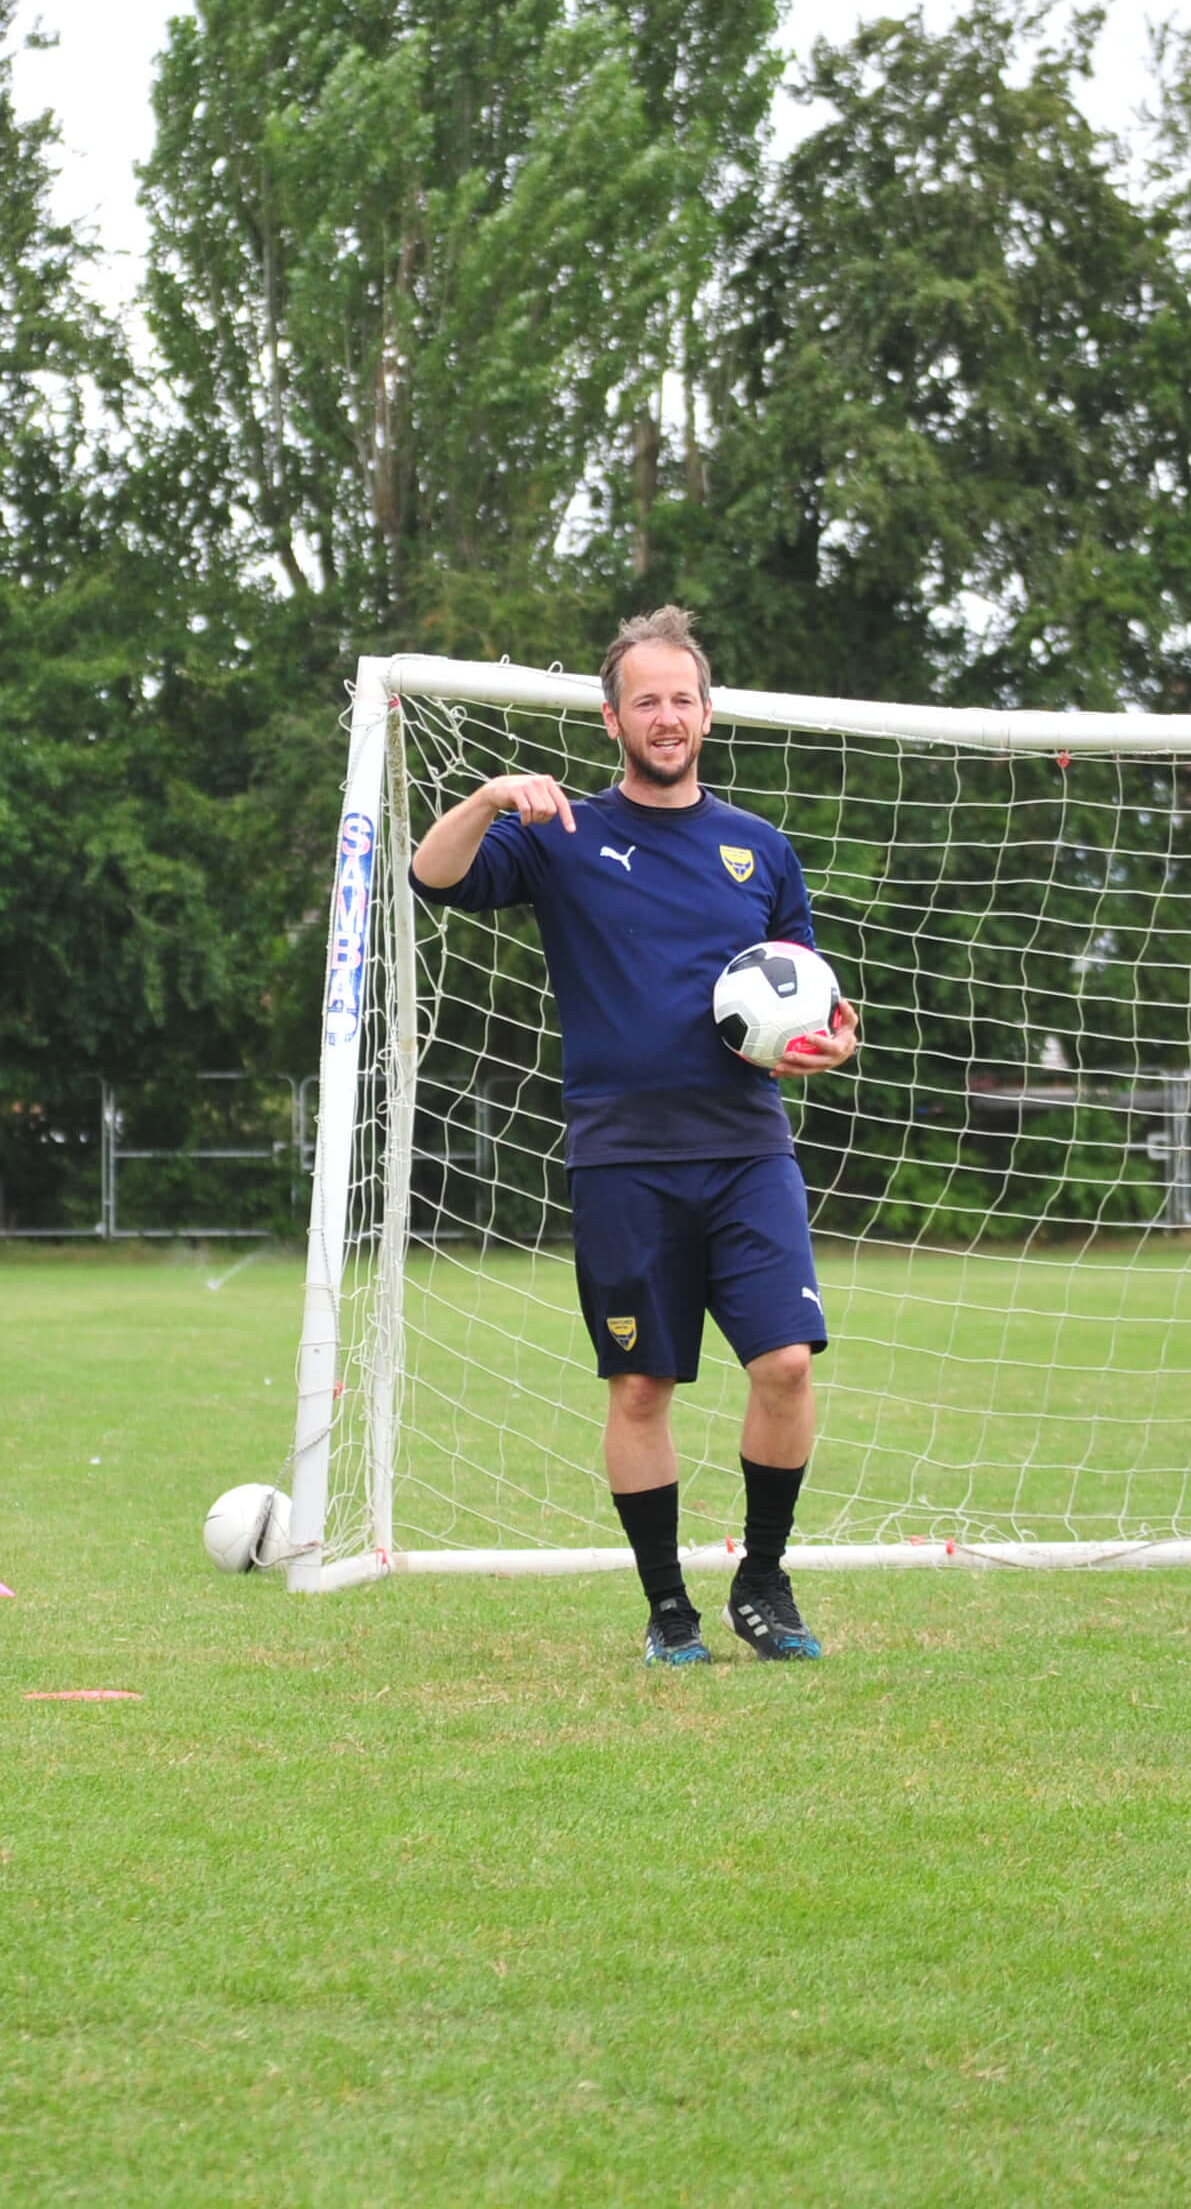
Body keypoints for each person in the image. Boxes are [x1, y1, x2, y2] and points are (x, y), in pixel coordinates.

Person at [408, 605, 860, 1666]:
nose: (667, 716)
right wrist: (485, 796)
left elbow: (812, 997)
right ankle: (668, 1611)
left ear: (707, 713)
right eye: (645, 700)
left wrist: (831, 1045)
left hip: (748, 1148)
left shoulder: (759, 848)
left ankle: (762, 1577)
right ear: (613, 718)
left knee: (786, 1363)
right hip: (621, 1156)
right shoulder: (558, 834)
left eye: (682, 698)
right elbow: (434, 875)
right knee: (641, 1386)